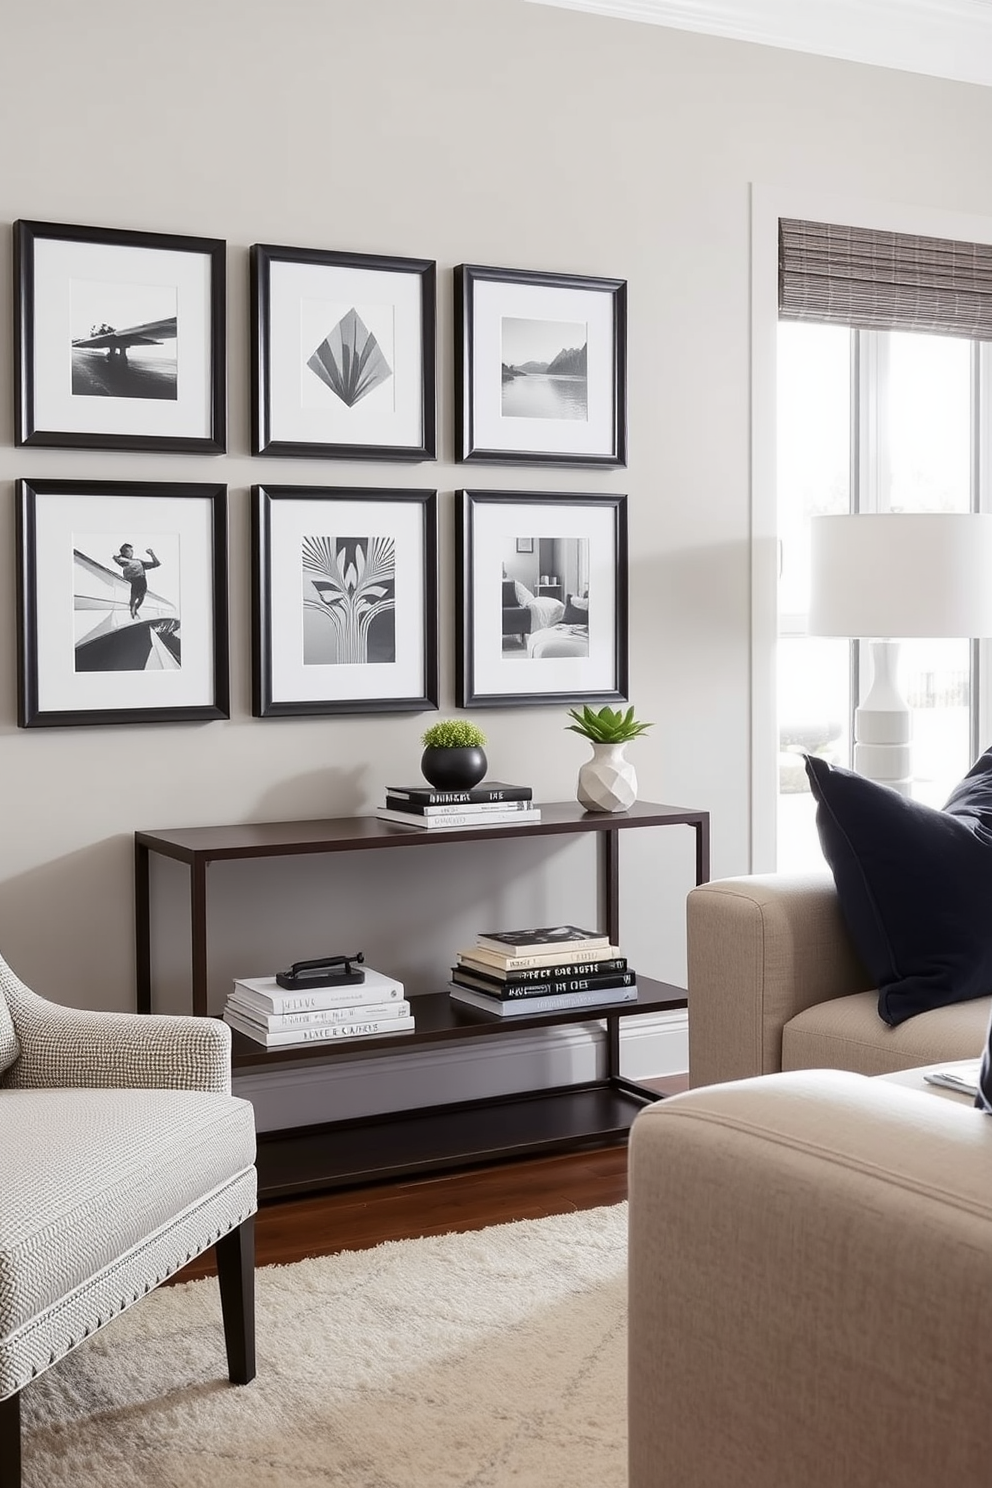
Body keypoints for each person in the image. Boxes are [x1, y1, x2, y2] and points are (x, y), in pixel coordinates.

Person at [113, 542, 161, 619]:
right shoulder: (123, 560)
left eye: (132, 550)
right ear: (124, 553)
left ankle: (134, 612)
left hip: (142, 581)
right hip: (132, 582)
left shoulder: (138, 561)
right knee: (133, 600)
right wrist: (119, 555)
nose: (132, 552)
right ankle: (132, 614)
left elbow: (156, 564)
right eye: (129, 551)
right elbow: (116, 558)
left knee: (141, 598)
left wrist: (152, 554)